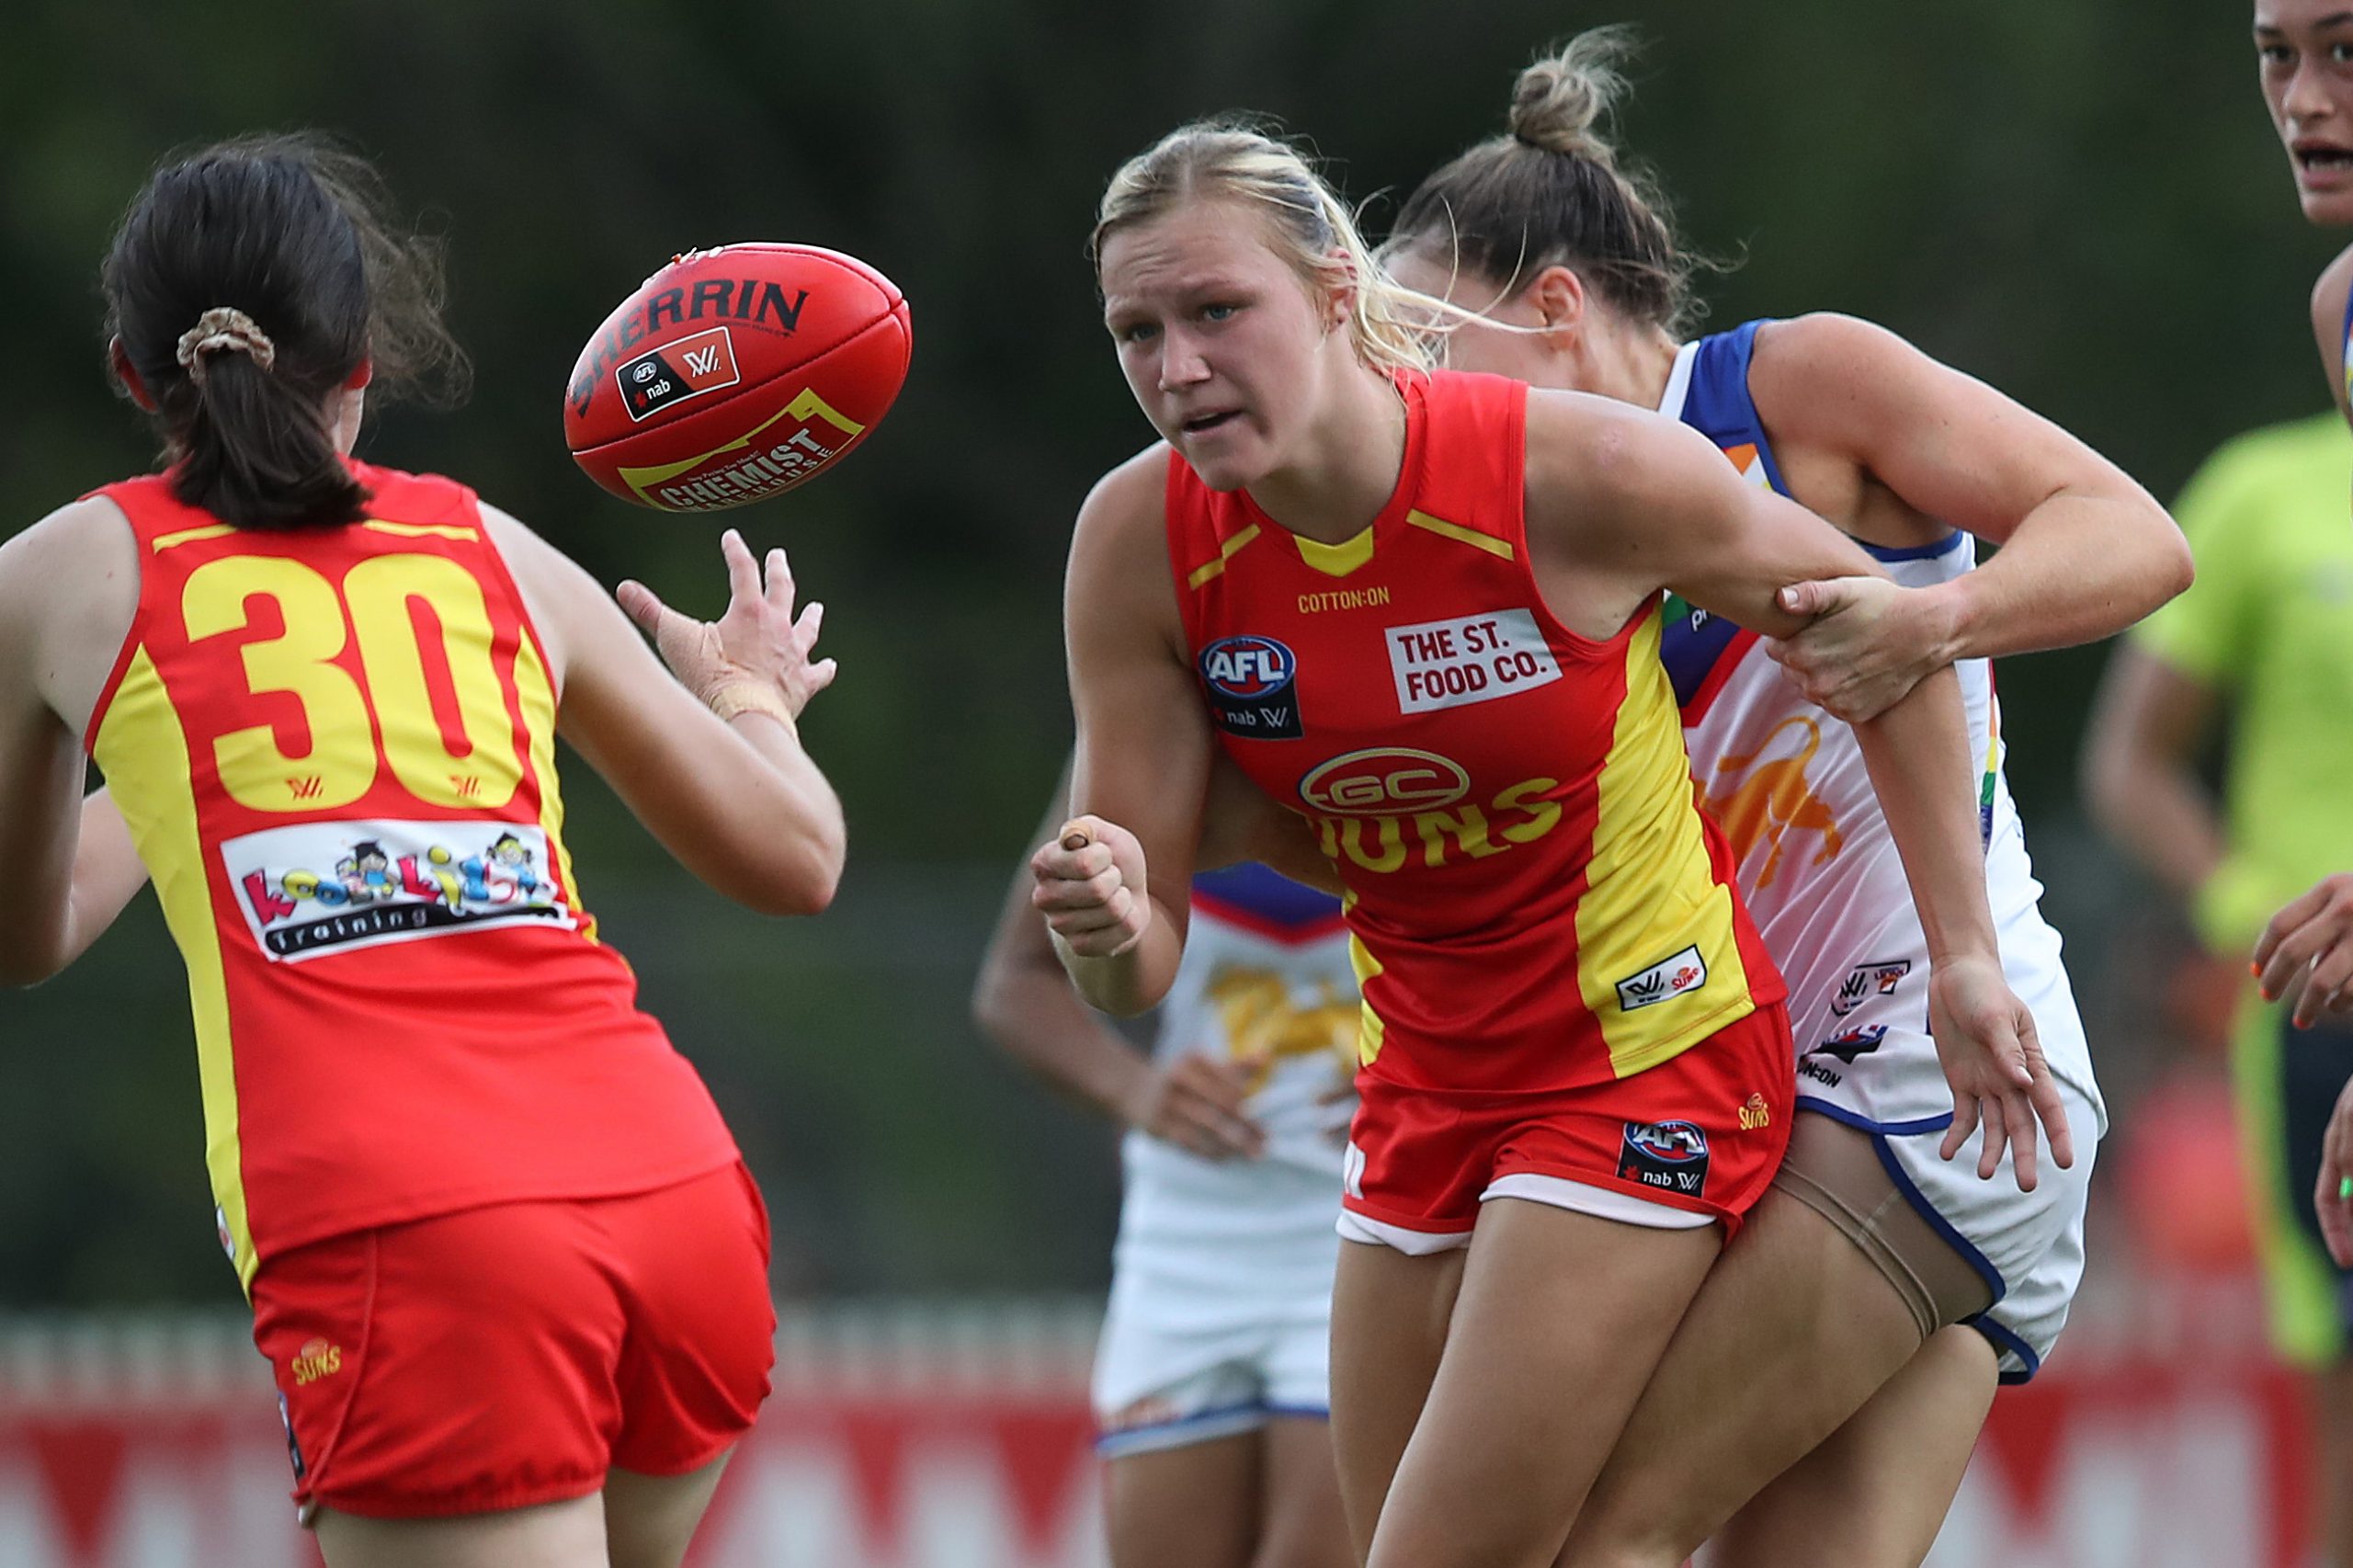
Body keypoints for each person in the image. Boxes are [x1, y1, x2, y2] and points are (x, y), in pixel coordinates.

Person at [1029, 111, 2065, 1568]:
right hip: (1425, 1075)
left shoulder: (1565, 468)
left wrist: (1964, 954)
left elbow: (1881, 641)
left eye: (1217, 311)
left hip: (1651, 1047)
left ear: (1339, 293)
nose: (1177, 367)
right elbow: (1137, 967)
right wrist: (1106, 922)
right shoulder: (1139, 541)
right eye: (1137, 330)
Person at [1367, 31, 2188, 1566]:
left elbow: (2135, 537)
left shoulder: (1791, 389)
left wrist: (1937, 617)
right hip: (1780, 1111)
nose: (1406, 400)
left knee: (1601, 1533)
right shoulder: (1513, 540)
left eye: (1424, 348)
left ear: (1552, 312)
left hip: (1928, 1078)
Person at [0, 135, 847, 1568]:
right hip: (674, 1196)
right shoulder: (492, 548)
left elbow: (23, 931)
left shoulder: (64, 574)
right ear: (364, 365)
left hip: (421, 1242)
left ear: (136, 375)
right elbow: (797, 852)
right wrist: (750, 686)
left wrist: (192, 776)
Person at [2090, 10, 2353, 1561]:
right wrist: (2244, 899)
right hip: (2318, 983)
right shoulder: (2341, 321)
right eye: (2275, 56)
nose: (2305, 103)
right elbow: (2130, 762)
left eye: (2348, 53)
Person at [974, 765, 1357, 1568]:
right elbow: (1015, 985)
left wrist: (1429, 1054)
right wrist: (1138, 1089)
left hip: (1360, 1239)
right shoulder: (1139, 742)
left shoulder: (1416, 734)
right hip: (1183, 1248)